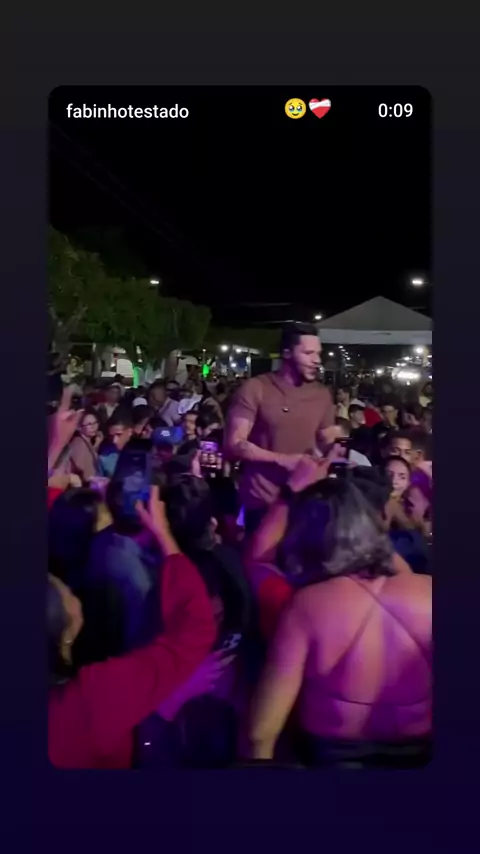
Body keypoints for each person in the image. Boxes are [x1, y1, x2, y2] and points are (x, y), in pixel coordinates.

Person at [245, 457, 432, 768]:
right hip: (419, 756)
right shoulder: (426, 591)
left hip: (330, 757)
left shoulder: (306, 606)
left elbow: (259, 733)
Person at [48, 486, 217, 768]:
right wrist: (163, 535)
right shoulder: (90, 699)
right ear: (66, 634)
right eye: (65, 593)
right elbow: (195, 630)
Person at [225, 323, 337, 534]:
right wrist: (284, 460)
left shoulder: (322, 395)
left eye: (318, 353)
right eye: (308, 353)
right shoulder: (257, 388)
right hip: (263, 503)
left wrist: (336, 449)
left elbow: (328, 440)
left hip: (306, 504)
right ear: (286, 353)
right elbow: (235, 444)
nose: (317, 360)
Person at [67, 408, 103, 482]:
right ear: (79, 427)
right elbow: (88, 475)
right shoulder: (78, 444)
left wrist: (97, 444)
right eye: (89, 424)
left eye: (95, 423)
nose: (93, 427)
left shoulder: (86, 441)